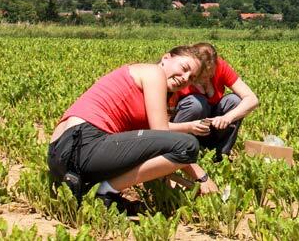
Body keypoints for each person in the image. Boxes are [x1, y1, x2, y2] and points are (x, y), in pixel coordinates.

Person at [47, 44, 219, 215]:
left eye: (191, 78)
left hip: (61, 155)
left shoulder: (150, 87)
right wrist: (202, 178)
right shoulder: (154, 72)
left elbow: (151, 150)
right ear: (166, 58)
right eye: (184, 68)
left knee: (171, 148)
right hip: (82, 143)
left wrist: (182, 181)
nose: (185, 78)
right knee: (188, 145)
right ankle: (105, 191)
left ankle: (91, 187)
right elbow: (163, 136)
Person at [168, 43, 259, 162]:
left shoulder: (219, 66)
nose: (206, 79)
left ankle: (220, 156)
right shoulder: (182, 78)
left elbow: (252, 99)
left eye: (210, 75)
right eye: (202, 76)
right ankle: (179, 151)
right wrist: (190, 126)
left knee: (234, 101)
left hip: (211, 125)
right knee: (196, 104)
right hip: (184, 126)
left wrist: (227, 117)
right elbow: (161, 125)